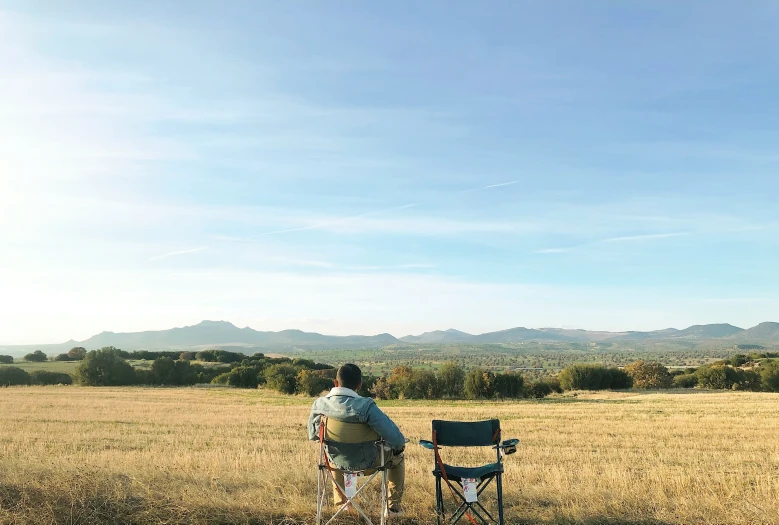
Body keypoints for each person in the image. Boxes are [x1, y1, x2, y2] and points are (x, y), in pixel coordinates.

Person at [308, 363, 406, 516]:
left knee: (333, 453)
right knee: (398, 458)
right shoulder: (367, 406)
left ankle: (341, 506)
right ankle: (393, 509)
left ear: (335, 382)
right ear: (359, 385)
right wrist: (397, 447)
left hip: (337, 462)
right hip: (369, 463)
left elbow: (312, 435)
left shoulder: (319, 404)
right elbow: (397, 440)